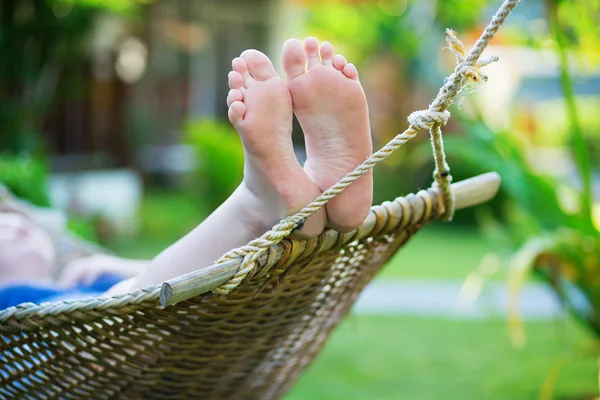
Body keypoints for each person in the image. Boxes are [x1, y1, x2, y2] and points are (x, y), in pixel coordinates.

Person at [0, 37, 373, 306]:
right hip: (95, 339)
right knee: (126, 298)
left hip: (138, 303)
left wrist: (114, 266)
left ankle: (294, 196)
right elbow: (125, 305)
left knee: (138, 282)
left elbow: (158, 274)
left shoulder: (75, 278)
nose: (18, 221)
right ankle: (258, 203)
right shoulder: (14, 307)